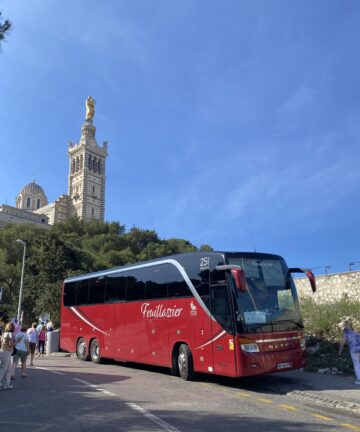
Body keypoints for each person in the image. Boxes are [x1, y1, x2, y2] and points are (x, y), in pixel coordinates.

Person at [338, 316, 360, 385]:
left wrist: (340, 351)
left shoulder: (345, 334)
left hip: (353, 351)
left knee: (356, 365)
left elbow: (342, 343)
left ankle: (359, 380)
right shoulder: (355, 333)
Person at [0, 322, 15, 390]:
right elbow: (10, 344)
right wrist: (17, 342)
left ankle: (6, 384)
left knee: (8, 368)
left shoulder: (3, 334)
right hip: (7, 352)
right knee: (4, 368)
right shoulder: (10, 334)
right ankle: (5, 384)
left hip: (3, 351)